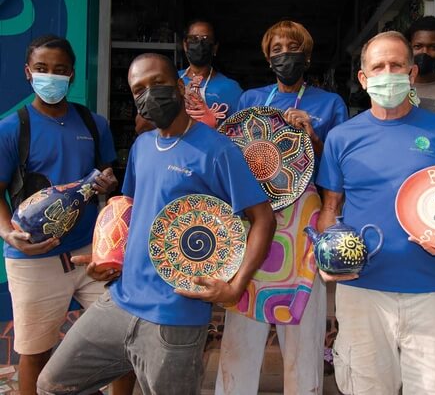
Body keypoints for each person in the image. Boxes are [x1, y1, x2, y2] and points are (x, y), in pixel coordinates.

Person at [36, 53, 276, 395]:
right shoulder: (142, 146)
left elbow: (263, 218)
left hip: (175, 314)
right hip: (119, 301)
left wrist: (235, 286)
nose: (149, 94)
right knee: (51, 384)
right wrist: (109, 256)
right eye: (139, 90)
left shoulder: (218, 150)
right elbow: (132, 210)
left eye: (158, 84)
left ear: (179, 87)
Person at [315, 31, 435, 395]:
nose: (388, 73)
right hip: (362, 289)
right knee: (366, 386)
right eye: (378, 66)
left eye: (396, 65)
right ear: (363, 78)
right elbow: (331, 207)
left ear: (412, 73)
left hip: (432, 290)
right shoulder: (342, 137)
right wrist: (325, 253)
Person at [215, 20, 348, 395]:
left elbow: (339, 168)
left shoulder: (329, 103)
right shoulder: (250, 100)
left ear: (306, 56)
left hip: (305, 219)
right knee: (242, 315)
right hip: (254, 219)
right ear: (267, 57)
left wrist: (313, 138)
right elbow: (232, 157)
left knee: (302, 323)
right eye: (275, 49)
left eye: (291, 47)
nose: (283, 55)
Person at [0, 35, 118, 395]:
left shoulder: (93, 124)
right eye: (42, 69)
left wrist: (107, 184)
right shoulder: (12, 128)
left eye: (60, 70)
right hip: (34, 258)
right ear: (28, 72)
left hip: (89, 254)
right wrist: (7, 232)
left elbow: (110, 178)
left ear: (72, 74)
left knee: (123, 336)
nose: (51, 76)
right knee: (35, 350)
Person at [179, 19, 243, 127]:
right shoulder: (171, 80)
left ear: (215, 47)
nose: (199, 44)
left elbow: (241, 132)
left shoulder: (231, 88)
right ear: (185, 45)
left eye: (206, 39)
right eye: (194, 38)